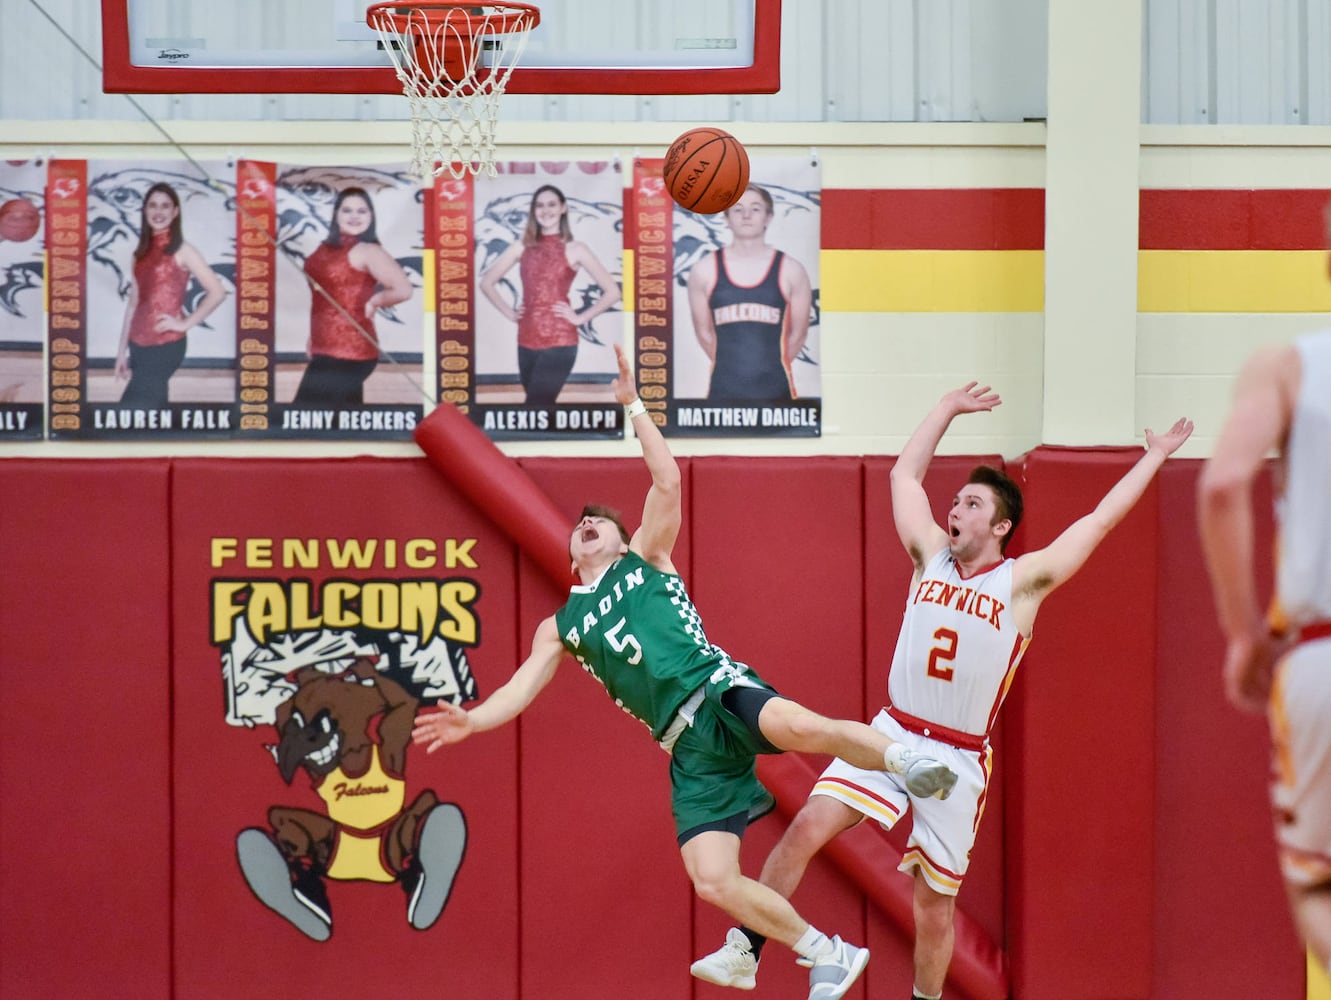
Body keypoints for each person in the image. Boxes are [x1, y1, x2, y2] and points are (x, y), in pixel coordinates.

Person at [412, 344, 960, 1000]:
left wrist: (634, 408)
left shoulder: (646, 557)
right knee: (712, 880)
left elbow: (666, 480)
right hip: (686, 748)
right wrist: (471, 719)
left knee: (801, 726)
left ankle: (905, 761)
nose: (588, 523)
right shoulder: (560, 625)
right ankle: (826, 952)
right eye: (580, 523)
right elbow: (520, 688)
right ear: (570, 554)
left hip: (715, 686)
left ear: (621, 540)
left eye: (599, 521)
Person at [692, 382, 1193, 1000]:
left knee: (932, 909)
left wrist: (1154, 456)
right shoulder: (928, 556)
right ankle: (747, 949)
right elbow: (904, 477)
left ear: (1001, 523)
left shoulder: (1023, 582)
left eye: (971, 503)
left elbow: (1099, 521)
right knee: (804, 830)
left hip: (957, 758)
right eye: (954, 502)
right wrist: (947, 409)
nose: (955, 510)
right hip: (892, 733)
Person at [1198, 326, 1331, 971]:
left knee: (1316, 884)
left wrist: (1246, 634)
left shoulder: (1289, 365)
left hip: (1319, 656)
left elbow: (1224, 486)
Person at [478, 184, 622, 406]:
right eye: (540, 205)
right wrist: (511, 313)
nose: (546, 211)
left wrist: (580, 318)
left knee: (536, 406)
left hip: (560, 341)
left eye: (552, 204)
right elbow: (487, 283)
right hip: (526, 339)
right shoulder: (521, 247)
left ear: (563, 208)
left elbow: (612, 292)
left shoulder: (576, 249)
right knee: (539, 413)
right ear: (533, 211)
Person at [686, 184, 813, 401]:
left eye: (755, 209)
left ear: (768, 217)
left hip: (775, 393)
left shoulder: (792, 270)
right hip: (723, 391)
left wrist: (764, 369)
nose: (746, 215)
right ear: (726, 218)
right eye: (737, 209)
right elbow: (704, 334)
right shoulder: (704, 270)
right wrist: (735, 370)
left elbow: (798, 334)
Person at [293, 186, 413, 406]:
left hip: (352, 352)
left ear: (371, 216)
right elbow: (325, 299)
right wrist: (315, 337)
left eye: (362, 211)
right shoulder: (326, 248)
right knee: (344, 422)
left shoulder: (369, 250)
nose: (354, 217)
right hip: (324, 348)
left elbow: (403, 289)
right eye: (347, 210)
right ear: (336, 214)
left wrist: (375, 301)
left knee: (306, 419)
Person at [114, 182, 226, 406]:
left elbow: (217, 292)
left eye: (165, 206)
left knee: (132, 411)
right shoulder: (140, 253)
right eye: (153, 206)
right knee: (153, 409)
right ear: (144, 210)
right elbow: (134, 304)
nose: (158, 212)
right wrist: (120, 352)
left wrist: (184, 324)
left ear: (175, 212)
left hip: (165, 345)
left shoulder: (182, 249)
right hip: (137, 345)